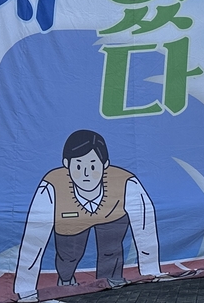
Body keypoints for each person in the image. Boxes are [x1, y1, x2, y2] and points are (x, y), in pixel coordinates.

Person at [14, 129, 160, 301]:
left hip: (112, 214)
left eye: (92, 166)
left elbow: (145, 231)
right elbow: (34, 242)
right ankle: (66, 279)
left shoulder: (127, 183)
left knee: (111, 249)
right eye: (78, 166)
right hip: (70, 220)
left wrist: (152, 273)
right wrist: (25, 289)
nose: (86, 174)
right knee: (68, 255)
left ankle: (111, 282)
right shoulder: (50, 188)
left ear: (105, 164)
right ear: (66, 164)